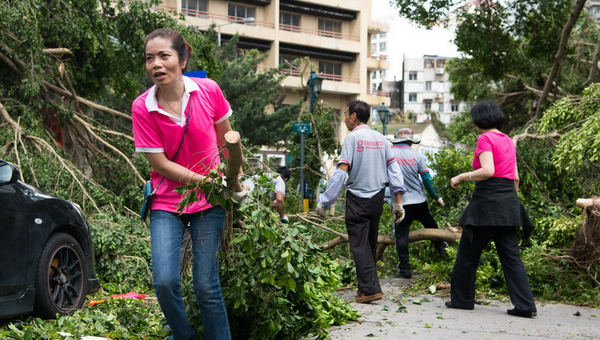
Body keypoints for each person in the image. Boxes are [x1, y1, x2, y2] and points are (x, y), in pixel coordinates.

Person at [131, 28, 233, 340]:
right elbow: (160, 164)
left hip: (208, 205)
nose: (156, 64)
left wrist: (233, 178)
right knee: (163, 281)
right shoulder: (143, 106)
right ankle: (184, 336)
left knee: (205, 285)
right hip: (166, 202)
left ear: (183, 59)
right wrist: (208, 181)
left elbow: (226, 141)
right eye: (150, 58)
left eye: (164, 56)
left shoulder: (209, 90)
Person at [446, 100, 537, 318]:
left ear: (479, 120)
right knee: (511, 258)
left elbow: (488, 170)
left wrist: (461, 176)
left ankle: (462, 300)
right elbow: (515, 177)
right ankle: (525, 306)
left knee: (468, 253)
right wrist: (509, 202)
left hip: (487, 205)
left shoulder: (485, 138)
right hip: (508, 204)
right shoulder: (507, 140)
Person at [316, 100, 407, 304]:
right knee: (369, 244)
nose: (345, 118)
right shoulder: (381, 139)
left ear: (354, 116)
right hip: (376, 198)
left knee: (359, 246)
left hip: (357, 198)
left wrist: (325, 200)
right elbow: (394, 171)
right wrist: (398, 204)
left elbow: (341, 173)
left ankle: (370, 290)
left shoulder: (353, 138)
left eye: (346, 114)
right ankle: (364, 288)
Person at [390, 128, 447, 279]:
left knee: (400, 236)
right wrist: (436, 197)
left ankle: (405, 270)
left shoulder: (388, 154)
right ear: (410, 141)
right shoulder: (417, 156)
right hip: (419, 201)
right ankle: (441, 248)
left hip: (400, 203)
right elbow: (427, 180)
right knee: (431, 225)